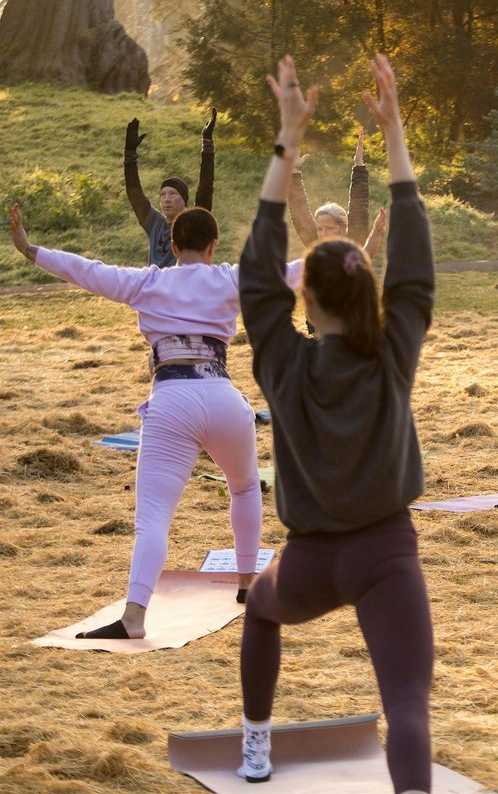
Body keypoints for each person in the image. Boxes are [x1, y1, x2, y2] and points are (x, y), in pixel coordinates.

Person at [235, 55, 434, 793]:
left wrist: (288, 141)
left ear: (306, 303)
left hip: (313, 559)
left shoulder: (284, 363)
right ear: (370, 295)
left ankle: (256, 746)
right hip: (387, 554)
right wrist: (395, 137)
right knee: (406, 707)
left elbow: (256, 277)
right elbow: (415, 263)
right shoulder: (393, 351)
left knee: (260, 613)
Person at [6, 201, 299, 639]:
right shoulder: (232, 278)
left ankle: (135, 616)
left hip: (171, 402)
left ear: (173, 246)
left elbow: (88, 271)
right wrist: (359, 248)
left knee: (154, 519)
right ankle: (246, 584)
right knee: (243, 486)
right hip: (224, 399)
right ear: (213, 246)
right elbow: (296, 271)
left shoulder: (149, 282)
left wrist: (31, 250)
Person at [124, 108, 218, 268]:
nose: (166, 199)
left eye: (173, 194)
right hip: (155, 290)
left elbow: (205, 188)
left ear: (185, 201)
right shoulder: (154, 222)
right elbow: (134, 193)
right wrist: (130, 154)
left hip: (181, 290)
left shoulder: (193, 222)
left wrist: (207, 144)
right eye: (163, 194)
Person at [288, 128, 387, 260]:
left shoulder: (353, 244)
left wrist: (359, 165)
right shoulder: (315, 245)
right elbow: (299, 212)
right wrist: (293, 172)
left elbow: (358, 207)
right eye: (320, 229)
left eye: (329, 228)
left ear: (343, 229)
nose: (323, 234)